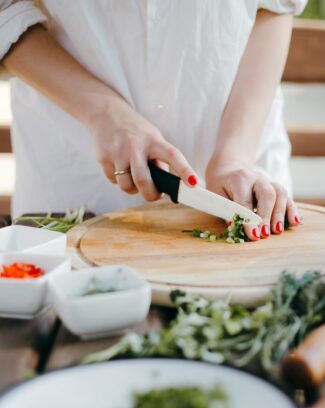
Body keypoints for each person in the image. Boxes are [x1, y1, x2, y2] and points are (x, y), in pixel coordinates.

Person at [0, 0, 306, 241]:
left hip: (244, 172)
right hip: (74, 176)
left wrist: (235, 155)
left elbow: (276, 5)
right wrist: (104, 112)